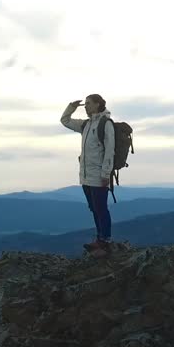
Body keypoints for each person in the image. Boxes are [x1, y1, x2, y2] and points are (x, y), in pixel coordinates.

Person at [60, 94, 116, 254]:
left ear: (98, 104)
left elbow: (110, 150)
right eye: (85, 104)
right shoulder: (86, 125)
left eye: (89, 103)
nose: (85, 106)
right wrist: (71, 107)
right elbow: (65, 121)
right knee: (94, 208)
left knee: (101, 208)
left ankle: (105, 240)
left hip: (98, 175)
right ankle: (100, 238)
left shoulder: (106, 124)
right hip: (86, 176)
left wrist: (106, 173)